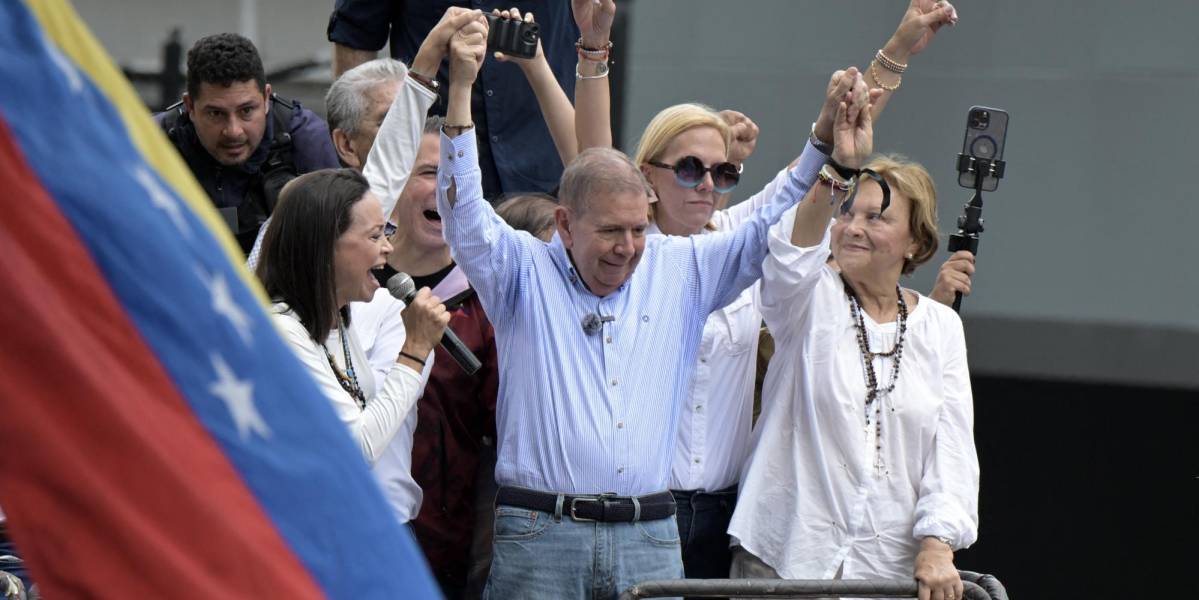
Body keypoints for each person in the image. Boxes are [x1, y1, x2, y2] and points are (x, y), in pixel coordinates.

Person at [434, 8, 867, 597]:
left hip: (650, 537)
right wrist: (460, 92)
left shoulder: (682, 266)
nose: (629, 247)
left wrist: (824, 143)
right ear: (564, 223)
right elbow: (463, 214)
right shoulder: (521, 270)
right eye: (611, 232)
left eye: (639, 229)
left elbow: (774, 211)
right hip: (542, 534)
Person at [568, 0, 960, 585]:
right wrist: (594, 51)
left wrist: (896, 51)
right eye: (688, 169)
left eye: (723, 173)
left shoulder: (741, 241)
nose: (707, 184)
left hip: (724, 507)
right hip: (636, 506)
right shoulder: (623, 252)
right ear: (645, 176)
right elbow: (593, 158)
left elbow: (835, 143)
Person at [727, 130, 980, 600]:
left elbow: (952, 455)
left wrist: (937, 545)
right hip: (783, 560)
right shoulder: (808, 296)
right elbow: (791, 254)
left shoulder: (941, 327)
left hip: (886, 573)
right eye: (847, 213)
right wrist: (838, 168)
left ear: (915, 242)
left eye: (876, 217)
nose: (853, 227)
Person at [255, 169, 450, 464]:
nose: (388, 247)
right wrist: (415, 349)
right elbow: (356, 449)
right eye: (374, 236)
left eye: (386, 233)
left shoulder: (337, 321)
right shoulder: (281, 331)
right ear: (323, 246)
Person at [327, 0, 580, 200]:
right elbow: (355, 33)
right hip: (431, 173)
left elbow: (593, 34)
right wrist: (372, 180)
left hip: (547, 166)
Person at [155, 33, 340, 254]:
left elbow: (341, 245)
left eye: (246, 111)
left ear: (266, 99)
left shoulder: (306, 139)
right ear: (190, 107)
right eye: (216, 113)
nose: (233, 131)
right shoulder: (150, 143)